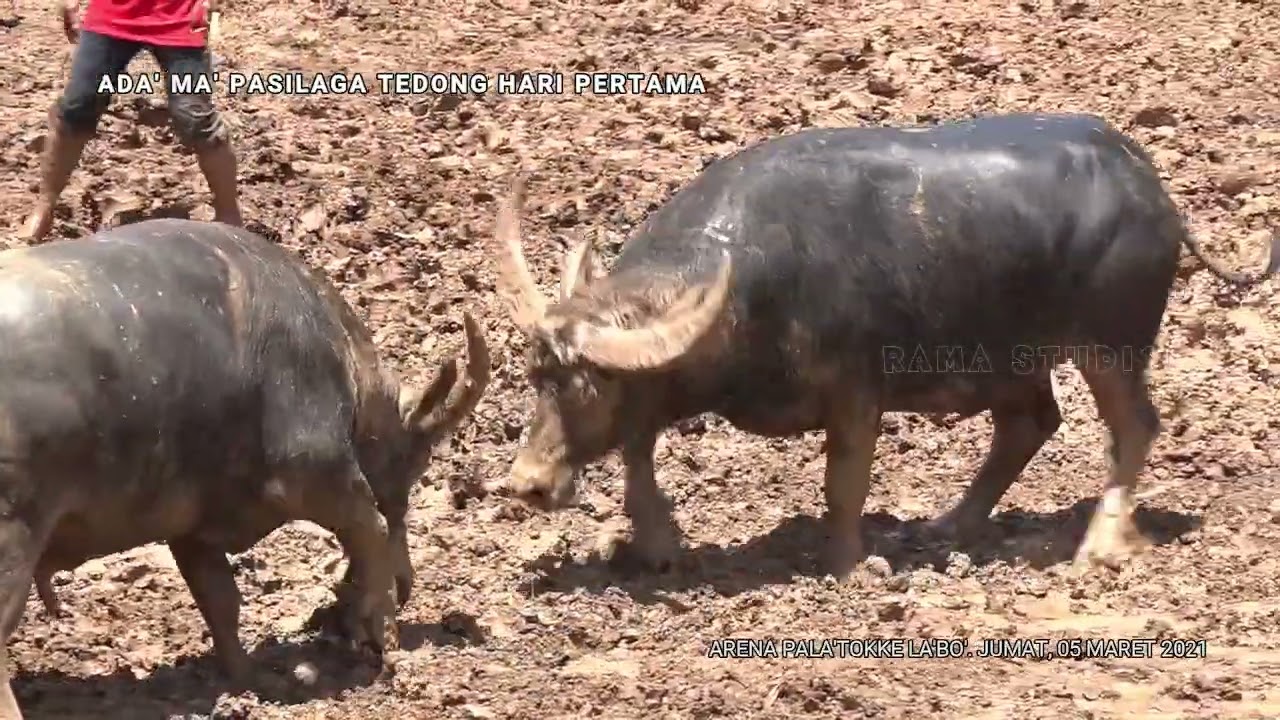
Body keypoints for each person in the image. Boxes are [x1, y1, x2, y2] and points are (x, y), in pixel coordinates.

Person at [21, 0, 243, 241]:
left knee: (195, 117)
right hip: (112, 12)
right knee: (78, 105)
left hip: (180, 15)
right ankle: (44, 206)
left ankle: (229, 214)